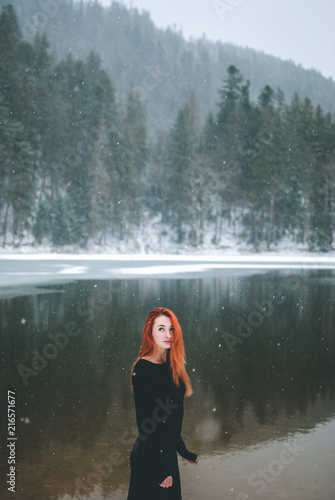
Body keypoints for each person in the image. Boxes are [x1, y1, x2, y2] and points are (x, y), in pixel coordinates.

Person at [127, 307, 197, 500]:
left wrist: (183, 451)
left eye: (171, 329)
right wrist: (156, 470)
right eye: (161, 329)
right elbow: (145, 424)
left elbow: (169, 420)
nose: (168, 334)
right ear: (149, 332)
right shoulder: (143, 368)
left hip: (166, 456)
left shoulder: (172, 365)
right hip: (150, 459)